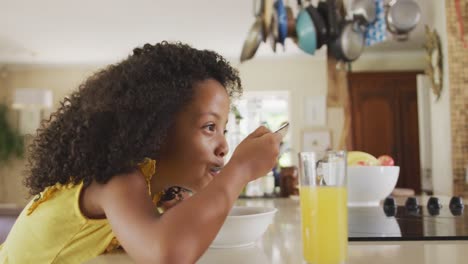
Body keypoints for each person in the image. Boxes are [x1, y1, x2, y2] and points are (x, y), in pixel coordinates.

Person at [0, 42, 283, 263]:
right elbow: (167, 253)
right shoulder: (114, 180)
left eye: (223, 129)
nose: (224, 146)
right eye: (210, 127)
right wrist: (240, 170)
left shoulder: (148, 191)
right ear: (156, 130)